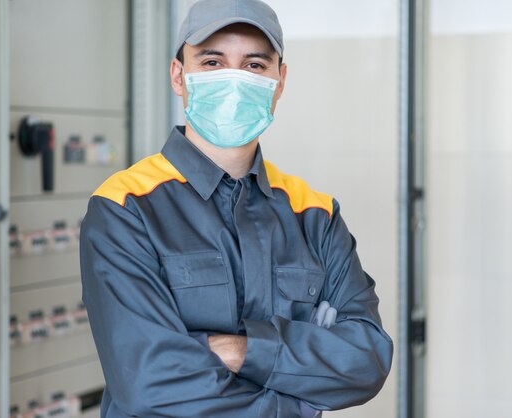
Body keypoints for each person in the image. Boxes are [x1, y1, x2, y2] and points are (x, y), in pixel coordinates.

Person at [79, 0, 393, 417]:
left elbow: (366, 360)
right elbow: (149, 381)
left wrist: (232, 350)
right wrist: (296, 398)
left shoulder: (315, 214)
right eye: (212, 62)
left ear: (279, 81)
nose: (233, 79)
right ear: (179, 76)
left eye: (254, 66)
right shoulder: (125, 208)